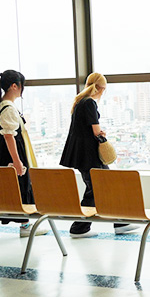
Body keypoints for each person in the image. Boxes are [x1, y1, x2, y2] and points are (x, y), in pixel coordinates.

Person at [0, 70, 48, 239]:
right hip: (11, 153)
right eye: (22, 86)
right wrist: (17, 161)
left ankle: (1, 221)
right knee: (18, 186)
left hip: (4, 152)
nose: (22, 89)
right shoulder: (8, 108)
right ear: (14, 86)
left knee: (7, 187)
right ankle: (22, 225)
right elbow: (9, 136)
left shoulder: (1, 104)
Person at [60, 73, 138, 238]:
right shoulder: (89, 103)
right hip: (89, 154)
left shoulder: (79, 102)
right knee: (99, 187)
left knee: (100, 186)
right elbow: (95, 131)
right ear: (101, 88)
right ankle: (80, 227)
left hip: (81, 154)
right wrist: (102, 133)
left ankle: (118, 223)